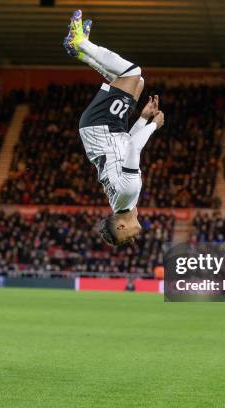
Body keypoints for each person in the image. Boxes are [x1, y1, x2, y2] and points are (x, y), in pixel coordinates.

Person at [63, 10, 165, 246]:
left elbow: (133, 147)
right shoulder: (120, 203)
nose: (134, 238)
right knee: (138, 84)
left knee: (132, 72)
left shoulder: (128, 193)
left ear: (121, 225)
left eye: (127, 237)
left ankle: (81, 44)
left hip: (101, 126)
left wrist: (153, 126)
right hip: (109, 131)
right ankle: (79, 52)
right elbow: (125, 147)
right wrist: (142, 119)